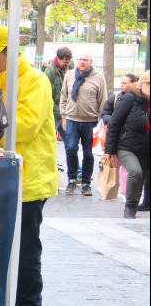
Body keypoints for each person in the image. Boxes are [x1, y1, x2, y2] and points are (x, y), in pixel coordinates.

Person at [0, 26, 58, 306]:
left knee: (26, 248)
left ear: (10, 52)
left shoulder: (35, 81)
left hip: (30, 180)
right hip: (8, 177)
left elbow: (24, 126)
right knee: (8, 246)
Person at [103, 71, 150, 219]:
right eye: (148, 84)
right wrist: (109, 149)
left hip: (146, 148)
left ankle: (133, 209)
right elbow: (114, 123)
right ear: (141, 83)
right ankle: (129, 208)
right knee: (136, 172)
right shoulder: (130, 98)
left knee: (140, 180)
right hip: (126, 146)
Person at [59, 52, 107, 195]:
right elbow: (63, 96)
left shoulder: (98, 77)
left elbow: (103, 99)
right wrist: (64, 116)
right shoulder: (69, 75)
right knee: (71, 149)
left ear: (91, 61)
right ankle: (72, 180)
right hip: (72, 119)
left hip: (90, 121)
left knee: (88, 153)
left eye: (85, 60)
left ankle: (86, 182)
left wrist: (102, 121)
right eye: (80, 59)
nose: (82, 62)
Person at [42, 47, 73, 142]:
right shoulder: (50, 72)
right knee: (50, 141)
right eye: (64, 62)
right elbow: (48, 98)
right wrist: (60, 116)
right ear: (58, 59)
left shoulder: (72, 69)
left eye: (69, 62)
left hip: (68, 112)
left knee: (70, 142)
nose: (67, 64)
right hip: (53, 113)